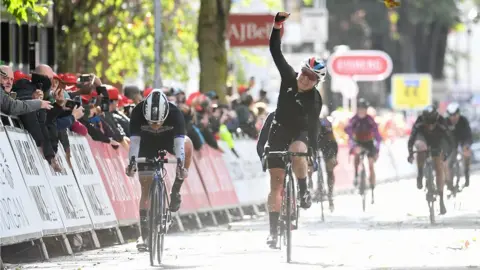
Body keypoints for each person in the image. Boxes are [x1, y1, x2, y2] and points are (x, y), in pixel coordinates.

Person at [262, 11, 325, 248]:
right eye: (305, 73)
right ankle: (272, 231)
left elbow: (312, 127)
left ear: (317, 82)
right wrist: (277, 26)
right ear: (300, 71)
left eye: (312, 78)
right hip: (278, 130)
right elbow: (275, 51)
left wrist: (314, 153)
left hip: (300, 133)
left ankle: (303, 187)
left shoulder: (314, 100)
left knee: (299, 149)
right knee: (276, 184)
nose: (306, 79)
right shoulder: (288, 77)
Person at [125, 89, 193, 251]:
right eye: (151, 123)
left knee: (188, 144)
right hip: (146, 144)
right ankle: (145, 235)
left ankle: (176, 190)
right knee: (146, 188)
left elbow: (179, 145)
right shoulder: (137, 112)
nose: (155, 126)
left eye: (159, 122)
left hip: (168, 140)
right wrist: (132, 163)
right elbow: (134, 143)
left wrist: (180, 165)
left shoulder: (175, 113)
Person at [407, 105, 453, 215]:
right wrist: (410, 153)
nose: (430, 126)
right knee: (421, 147)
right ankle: (420, 173)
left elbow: (449, 141)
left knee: (439, 167)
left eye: (433, 124)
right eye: (428, 124)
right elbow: (412, 139)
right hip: (423, 139)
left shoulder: (441, 122)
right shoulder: (419, 122)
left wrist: (446, 153)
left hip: (437, 141)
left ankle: (441, 200)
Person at [344, 98, 382, 194]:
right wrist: (352, 145)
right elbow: (348, 132)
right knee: (357, 154)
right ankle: (356, 175)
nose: (361, 111)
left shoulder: (370, 120)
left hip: (369, 143)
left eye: (363, 109)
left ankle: (372, 183)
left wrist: (377, 150)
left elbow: (377, 136)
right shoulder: (354, 120)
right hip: (358, 142)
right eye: (359, 109)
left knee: (370, 164)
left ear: (366, 110)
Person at [445, 102, 472, 188]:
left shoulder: (464, 121)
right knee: (448, 162)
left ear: (459, 114)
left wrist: (466, 145)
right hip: (452, 143)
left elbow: (468, 134)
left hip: (463, 140)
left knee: (466, 154)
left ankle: (466, 174)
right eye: (451, 115)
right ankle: (449, 182)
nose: (453, 117)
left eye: (455, 115)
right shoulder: (445, 122)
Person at [316, 107, 338, 211]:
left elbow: (332, 140)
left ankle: (330, 194)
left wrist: (334, 156)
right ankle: (310, 185)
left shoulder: (326, 122)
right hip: (314, 144)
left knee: (330, 169)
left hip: (327, 145)